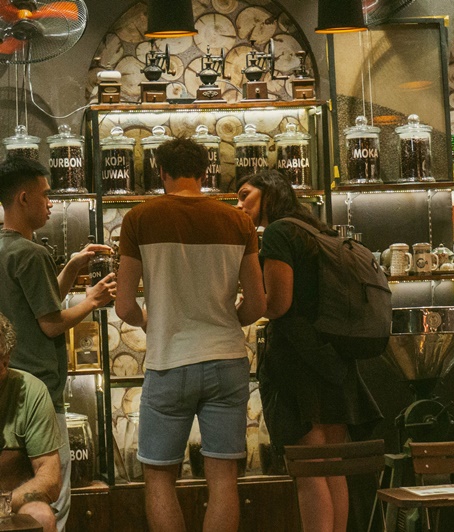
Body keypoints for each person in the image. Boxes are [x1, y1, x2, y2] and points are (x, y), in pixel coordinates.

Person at [115, 138, 266, 532]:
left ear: (161, 172)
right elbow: (257, 303)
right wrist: (228, 318)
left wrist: (151, 321)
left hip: (169, 363)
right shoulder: (239, 222)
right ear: (205, 173)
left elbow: (123, 306)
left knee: (160, 478)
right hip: (227, 361)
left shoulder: (139, 219)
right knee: (222, 480)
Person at [236, 169, 382, 532]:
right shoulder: (317, 229)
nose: (238, 205)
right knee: (332, 467)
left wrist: (247, 300)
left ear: (268, 193)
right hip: (334, 357)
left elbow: (279, 303)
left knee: (308, 470)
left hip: (299, 360)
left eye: (244, 195)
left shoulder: (279, 232)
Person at [0, 156, 116, 530]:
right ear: (23, 198)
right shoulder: (31, 254)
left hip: (9, 384)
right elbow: (51, 323)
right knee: (51, 499)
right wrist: (93, 300)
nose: (51, 203)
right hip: (40, 392)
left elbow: (36, 305)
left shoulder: (7, 250)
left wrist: (71, 267)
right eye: (46, 195)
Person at [0, 312, 62, 532]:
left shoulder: (31, 392)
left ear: (5, 361)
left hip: (11, 501)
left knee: (41, 516)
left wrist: (4, 503)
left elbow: (51, 480)